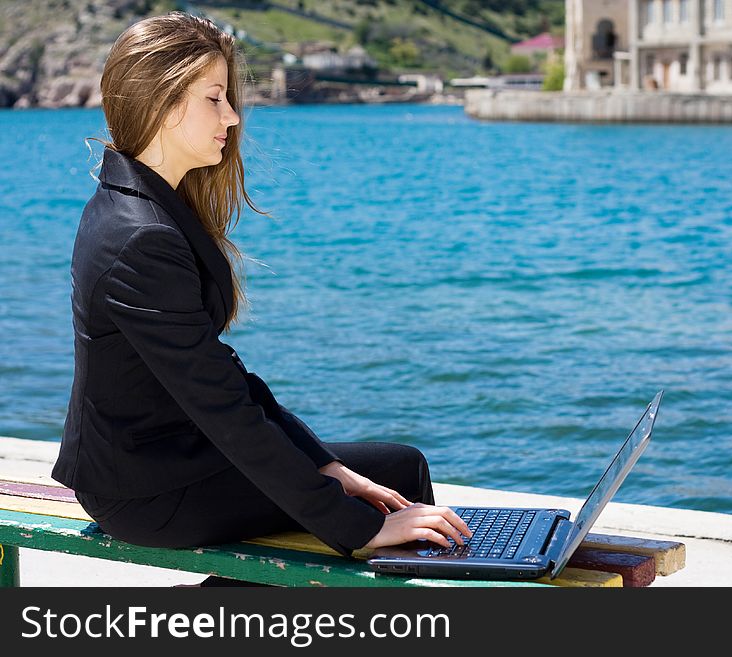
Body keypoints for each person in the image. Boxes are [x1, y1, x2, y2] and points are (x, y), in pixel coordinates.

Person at [51, 11, 470, 586]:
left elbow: (225, 378)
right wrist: (356, 527)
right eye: (214, 98)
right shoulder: (140, 235)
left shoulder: (140, 202)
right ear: (163, 103)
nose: (231, 117)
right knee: (394, 489)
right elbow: (224, 411)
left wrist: (327, 467)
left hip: (166, 459)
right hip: (146, 488)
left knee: (388, 474)